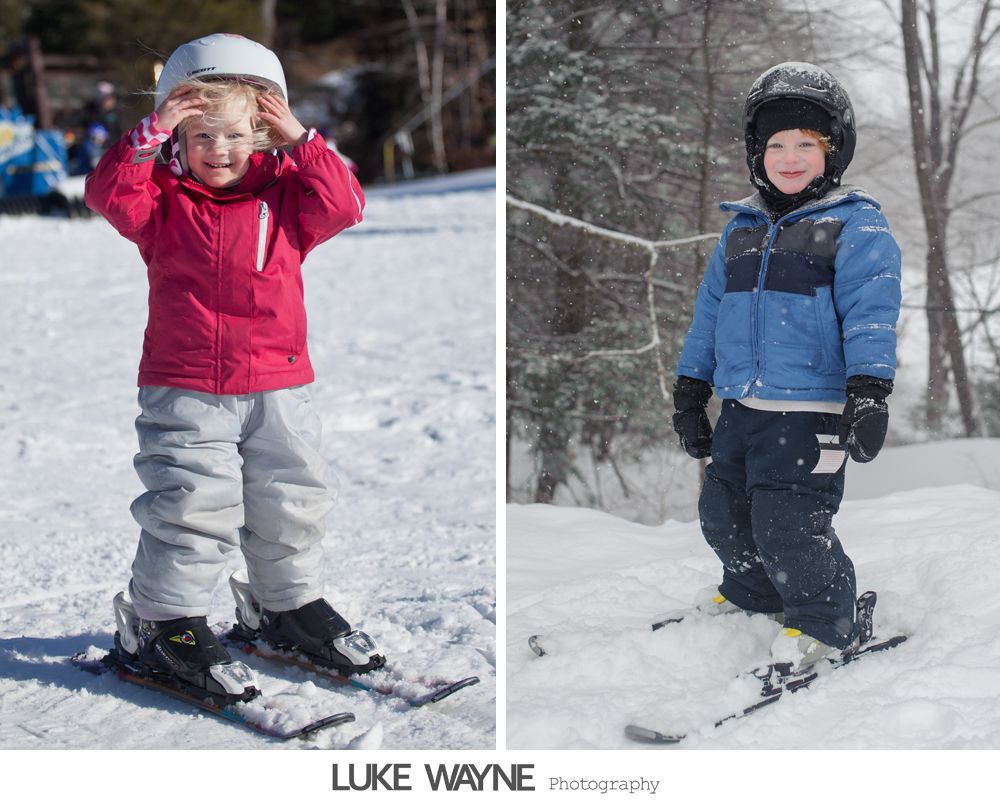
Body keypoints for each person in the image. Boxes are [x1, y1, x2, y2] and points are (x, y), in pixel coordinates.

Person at [84, 33, 383, 703]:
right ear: (178, 141)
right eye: (200, 137)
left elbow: (348, 205)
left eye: (235, 136)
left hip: (280, 384)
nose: (218, 150)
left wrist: (301, 137)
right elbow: (107, 195)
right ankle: (161, 623)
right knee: (192, 507)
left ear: (260, 134)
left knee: (290, 501)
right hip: (187, 387)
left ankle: (284, 606)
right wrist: (148, 132)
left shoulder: (287, 194)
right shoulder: (159, 200)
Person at [671, 62, 902, 670]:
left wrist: (870, 391)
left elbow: (871, 313)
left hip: (812, 409)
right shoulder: (742, 229)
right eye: (776, 144)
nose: (790, 157)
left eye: (807, 144)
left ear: (834, 151)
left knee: (790, 520)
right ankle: (754, 593)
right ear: (757, 152)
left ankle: (828, 620)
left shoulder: (855, 224)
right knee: (723, 511)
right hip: (743, 404)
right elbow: (710, 315)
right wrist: (691, 389)